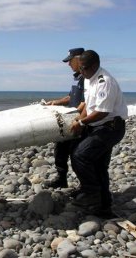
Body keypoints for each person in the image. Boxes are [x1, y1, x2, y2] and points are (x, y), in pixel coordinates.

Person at [70, 50, 127, 217]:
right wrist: (80, 121)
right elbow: (88, 105)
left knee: (81, 155)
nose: (81, 72)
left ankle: (91, 193)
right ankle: (104, 207)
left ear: (95, 66)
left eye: (84, 68)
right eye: (80, 68)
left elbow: (102, 111)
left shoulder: (105, 82)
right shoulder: (89, 78)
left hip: (110, 127)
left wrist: (81, 122)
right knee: (98, 165)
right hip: (98, 126)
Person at [44, 47, 85, 188]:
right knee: (60, 149)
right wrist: (55, 102)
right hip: (69, 119)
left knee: (76, 154)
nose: (68, 65)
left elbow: (86, 103)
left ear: (79, 59)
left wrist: (79, 120)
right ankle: (61, 178)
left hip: (79, 121)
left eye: (70, 61)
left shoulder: (87, 78)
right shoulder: (76, 78)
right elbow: (70, 97)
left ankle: (85, 186)